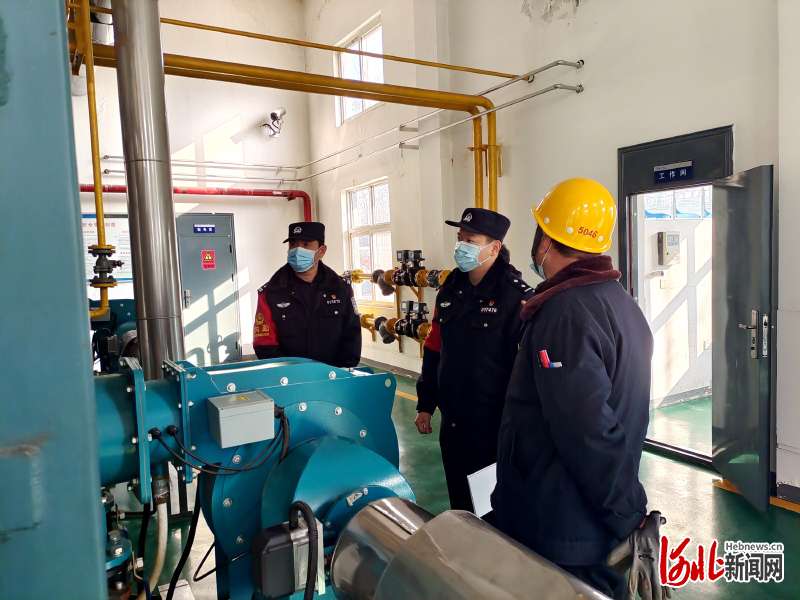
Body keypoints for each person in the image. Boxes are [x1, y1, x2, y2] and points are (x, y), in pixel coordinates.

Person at [490, 178, 654, 599]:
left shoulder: (564, 313)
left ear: (546, 240)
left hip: (564, 527)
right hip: (588, 520)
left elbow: (586, 430)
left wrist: (629, 515)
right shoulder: (617, 301)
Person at [415, 208, 533, 512]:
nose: (461, 246)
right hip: (453, 420)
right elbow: (434, 348)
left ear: (494, 248)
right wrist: (426, 403)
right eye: (460, 238)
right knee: (460, 501)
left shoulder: (515, 296)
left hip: (493, 424)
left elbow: (527, 370)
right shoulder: (449, 289)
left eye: (470, 240)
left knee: (492, 508)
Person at [252, 221, 361, 368]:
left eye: (305, 244)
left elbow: (352, 335)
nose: (297, 250)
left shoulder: (340, 288)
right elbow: (264, 344)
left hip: (334, 375)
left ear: (321, 251)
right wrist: (288, 374)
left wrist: (340, 372)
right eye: (293, 244)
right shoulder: (271, 292)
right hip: (287, 377)